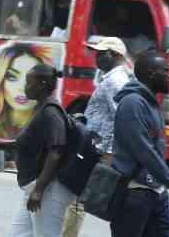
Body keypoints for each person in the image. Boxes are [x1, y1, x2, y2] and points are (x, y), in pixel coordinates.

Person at [110, 50, 169, 237]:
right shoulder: (133, 104)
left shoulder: (151, 103)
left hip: (156, 191)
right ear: (151, 73)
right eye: (165, 70)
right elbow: (145, 152)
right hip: (134, 193)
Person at [62, 37, 131, 237]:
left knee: (77, 199)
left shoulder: (115, 82)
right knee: (77, 198)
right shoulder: (111, 78)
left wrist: (107, 152)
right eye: (97, 53)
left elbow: (122, 117)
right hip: (96, 146)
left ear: (116, 55)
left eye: (102, 53)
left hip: (99, 149)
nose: (97, 57)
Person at [8, 63, 74, 237]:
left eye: (29, 82)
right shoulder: (42, 109)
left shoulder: (51, 112)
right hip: (34, 187)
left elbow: (56, 151)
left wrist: (39, 189)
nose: (25, 86)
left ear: (42, 84)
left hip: (47, 190)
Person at [0, 44, 54, 139]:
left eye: (34, 79)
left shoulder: (51, 129)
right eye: (12, 77)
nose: (22, 87)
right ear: (0, 81)